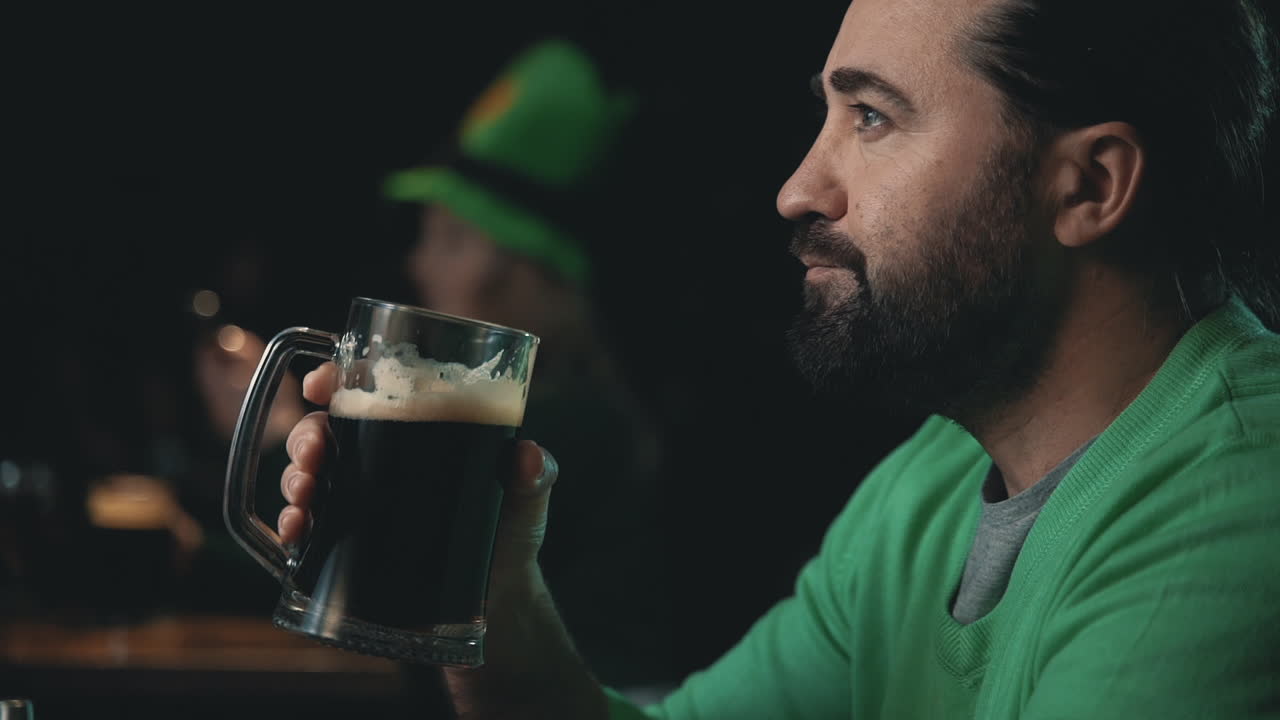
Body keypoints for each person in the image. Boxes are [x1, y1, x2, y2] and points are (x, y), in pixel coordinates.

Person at [276, 0, 1280, 717]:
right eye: (827, 114)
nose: (798, 188)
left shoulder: (1231, 515)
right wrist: (486, 597)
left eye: (871, 117)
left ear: (1088, 186)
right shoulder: (927, 485)